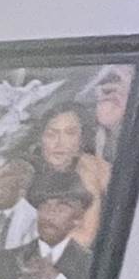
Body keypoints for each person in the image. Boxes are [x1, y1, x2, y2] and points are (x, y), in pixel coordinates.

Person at [26, 101, 107, 239]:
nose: (60, 142)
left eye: (70, 133)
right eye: (51, 134)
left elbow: (84, 238)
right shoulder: (29, 171)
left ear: (82, 139)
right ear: (41, 139)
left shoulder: (90, 172)